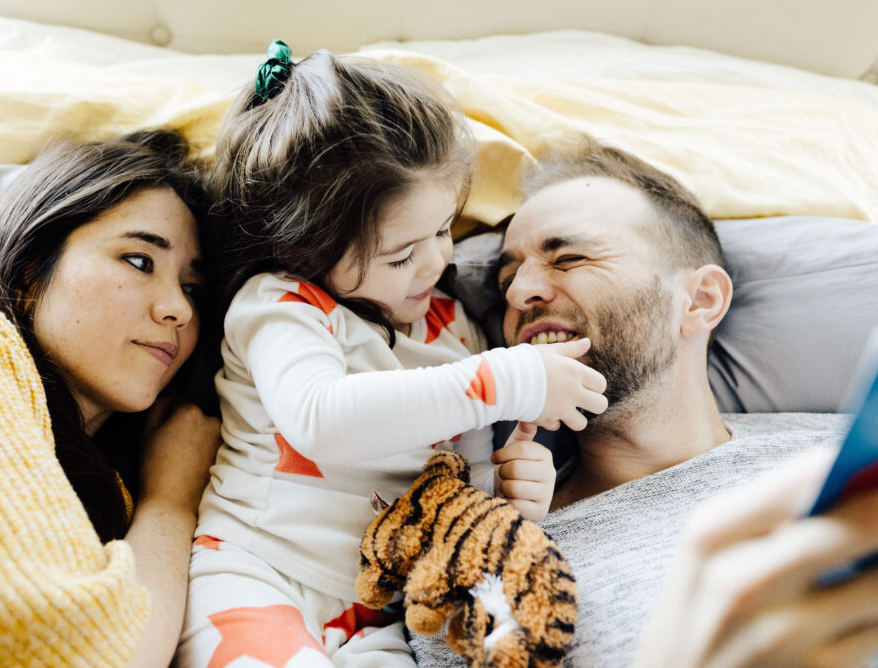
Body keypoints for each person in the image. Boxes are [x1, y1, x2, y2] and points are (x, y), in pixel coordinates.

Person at [174, 42, 608, 667]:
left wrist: (511, 492)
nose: (438, 262)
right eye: (401, 255)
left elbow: (456, 479)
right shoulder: (282, 306)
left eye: (442, 229)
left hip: (377, 612)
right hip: (256, 572)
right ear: (304, 253)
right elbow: (322, 419)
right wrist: (506, 379)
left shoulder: (451, 325)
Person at [411, 142, 878, 666]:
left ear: (700, 300)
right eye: (506, 281)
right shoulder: (487, 564)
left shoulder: (845, 457)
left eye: (569, 258)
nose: (520, 295)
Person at [0, 128, 222, 667]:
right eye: (140, 260)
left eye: (192, 288)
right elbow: (90, 656)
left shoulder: (116, 497)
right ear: (31, 262)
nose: (178, 310)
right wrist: (171, 500)